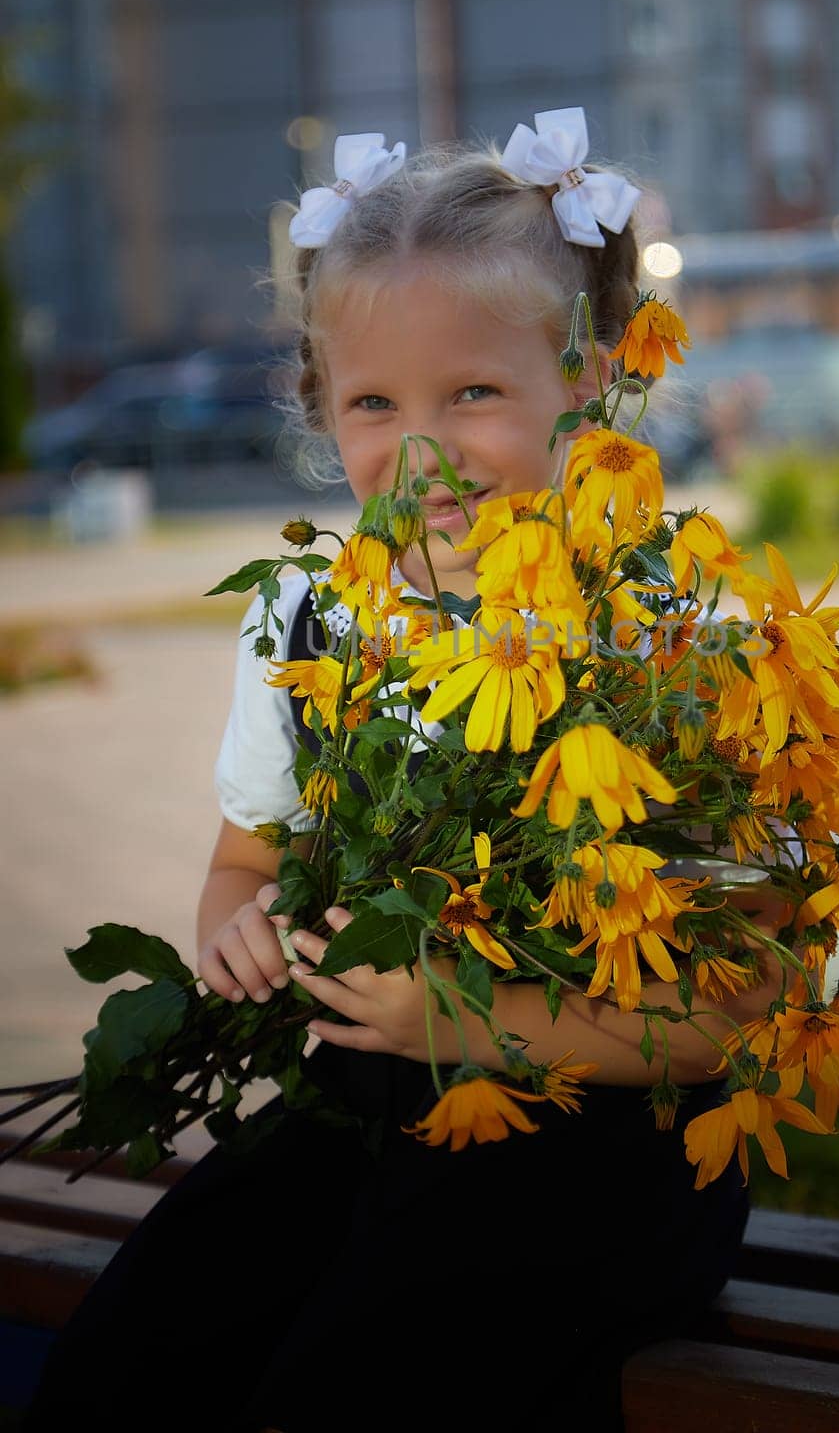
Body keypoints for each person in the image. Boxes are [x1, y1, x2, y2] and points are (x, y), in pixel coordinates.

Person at [25, 109, 780, 1433]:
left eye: (473, 394)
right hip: (356, 1118)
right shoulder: (308, 618)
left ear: (590, 381)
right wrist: (239, 938)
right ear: (323, 406)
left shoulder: (672, 632)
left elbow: (742, 1002)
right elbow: (242, 864)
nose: (422, 453)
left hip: (597, 1147)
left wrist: (461, 1021)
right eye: (376, 402)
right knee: (124, 1367)